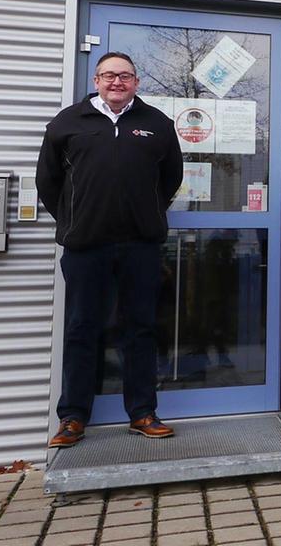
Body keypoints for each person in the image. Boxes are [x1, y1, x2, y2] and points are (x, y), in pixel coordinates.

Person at [36, 52, 182, 448]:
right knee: (83, 327)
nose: (117, 82)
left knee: (140, 328)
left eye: (125, 76)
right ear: (96, 80)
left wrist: (145, 214)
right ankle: (72, 417)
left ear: (136, 82)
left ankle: (142, 413)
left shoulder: (157, 124)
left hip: (141, 245)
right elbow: (48, 183)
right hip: (87, 246)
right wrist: (73, 222)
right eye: (109, 75)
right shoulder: (67, 123)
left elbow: (170, 180)